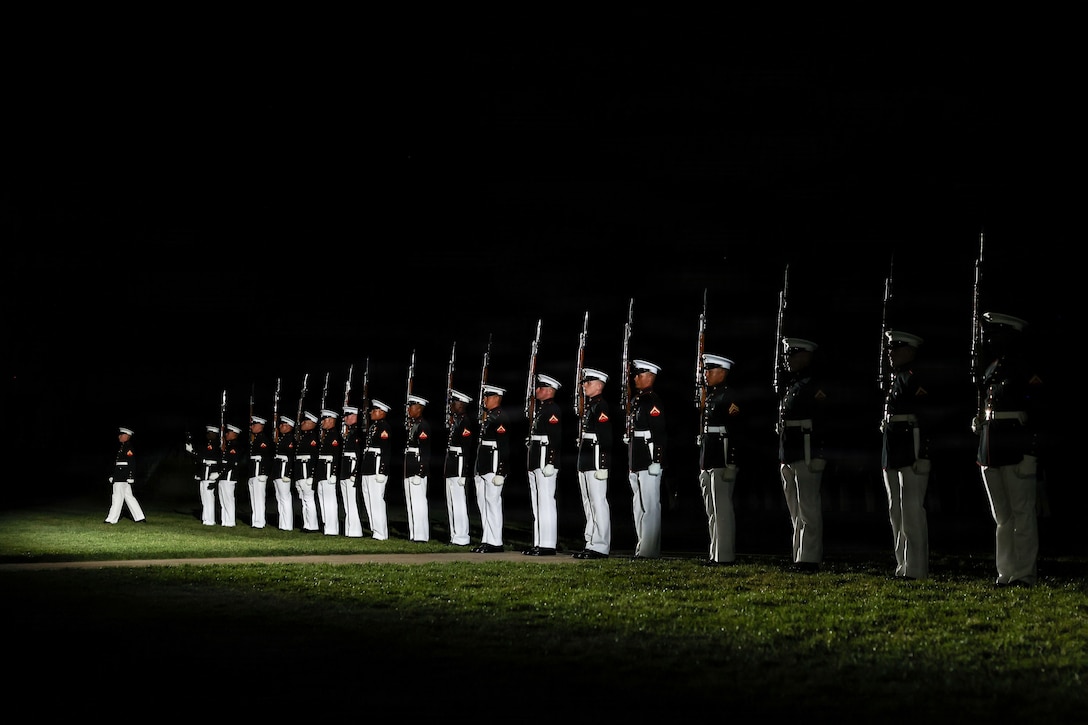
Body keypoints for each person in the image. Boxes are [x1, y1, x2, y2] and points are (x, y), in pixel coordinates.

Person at [973, 312, 1044, 588]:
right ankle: (1006, 571)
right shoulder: (992, 368)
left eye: (997, 333)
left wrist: (1031, 452)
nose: (991, 339)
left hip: (1015, 446)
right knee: (1002, 516)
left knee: (1023, 513)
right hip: (992, 446)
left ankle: (1024, 573)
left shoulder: (1024, 368)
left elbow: (1036, 412)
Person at [881, 331, 932, 580]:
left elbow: (926, 419)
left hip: (910, 449)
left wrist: (922, 454)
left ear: (910, 351)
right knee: (896, 512)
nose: (890, 352)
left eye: (896, 348)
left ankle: (916, 568)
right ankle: (903, 565)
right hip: (895, 449)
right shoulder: (897, 378)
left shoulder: (914, 378)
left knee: (911, 511)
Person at [777, 337, 828, 573]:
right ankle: (799, 555)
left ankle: (809, 558)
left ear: (806, 357)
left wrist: (819, 453)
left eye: (793, 355)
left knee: (807, 507)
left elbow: (823, 422)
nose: (788, 360)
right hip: (791, 451)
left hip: (807, 451)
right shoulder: (794, 386)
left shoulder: (813, 386)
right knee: (796, 510)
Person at [698, 354, 741, 566]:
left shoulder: (729, 397)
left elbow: (734, 432)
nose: (706, 374)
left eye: (710, 370)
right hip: (709, 456)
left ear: (722, 372)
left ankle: (724, 556)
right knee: (712, 511)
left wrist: (731, 462)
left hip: (721, 457)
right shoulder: (713, 396)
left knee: (722, 509)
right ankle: (715, 553)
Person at [628, 359, 667, 559]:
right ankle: (642, 546)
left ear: (650, 376)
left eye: (640, 374)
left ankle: (650, 550)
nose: (635, 378)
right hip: (637, 460)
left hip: (648, 459)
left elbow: (658, 434)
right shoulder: (637, 401)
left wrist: (656, 461)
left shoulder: (652, 401)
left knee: (650, 505)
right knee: (639, 506)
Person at [574, 367, 612, 559]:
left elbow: (605, 438)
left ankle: (601, 545)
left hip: (596, 458)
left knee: (598, 503)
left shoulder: (601, 406)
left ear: (599, 385)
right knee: (589, 503)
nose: (584, 386)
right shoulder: (591, 406)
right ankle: (591, 542)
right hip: (587, 459)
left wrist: (603, 465)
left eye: (588, 383)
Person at [525, 373, 563, 556]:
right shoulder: (542, 409)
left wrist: (550, 461)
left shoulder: (552, 409)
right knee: (537, 502)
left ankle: (548, 544)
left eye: (540, 388)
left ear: (549, 390)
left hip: (545, 459)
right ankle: (539, 542)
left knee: (546, 501)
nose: (536, 390)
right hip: (536, 459)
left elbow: (555, 439)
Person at [473, 384, 511, 553]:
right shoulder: (490, 417)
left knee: (493, 503)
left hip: (493, 465)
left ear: (496, 398)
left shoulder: (500, 417)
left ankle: (495, 541)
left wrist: (501, 471)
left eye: (487, 397)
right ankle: (487, 539)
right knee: (483, 503)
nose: (484, 400)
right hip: (484, 465)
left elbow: (504, 447)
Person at [443, 389, 475, 546]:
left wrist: (463, 473)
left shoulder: (465, 423)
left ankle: (462, 536)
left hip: (458, 465)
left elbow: (465, 450)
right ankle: (455, 535)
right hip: (452, 465)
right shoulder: (457, 421)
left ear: (461, 405)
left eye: (453, 402)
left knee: (459, 502)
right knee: (452, 503)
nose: (451, 405)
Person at [360, 399, 393, 540]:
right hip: (368, 467)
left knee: (376, 501)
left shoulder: (384, 427)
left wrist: (382, 470)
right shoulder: (374, 427)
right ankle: (375, 530)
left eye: (374, 410)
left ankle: (381, 532)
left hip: (376, 467)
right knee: (368, 499)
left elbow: (386, 451)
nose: (371, 412)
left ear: (382, 412)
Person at [404, 394, 432, 542]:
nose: (409, 409)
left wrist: (420, 471)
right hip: (410, 467)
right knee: (411, 502)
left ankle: (421, 535)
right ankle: (414, 533)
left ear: (419, 408)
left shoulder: (423, 425)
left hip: (417, 468)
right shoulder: (414, 424)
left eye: (412, 406)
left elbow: (425, 451)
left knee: (419, 502)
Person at [104, 426, 147, 524]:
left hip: (122, 477)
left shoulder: (128, 448)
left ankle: (111, 519)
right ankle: (139, 517)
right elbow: (118, 464)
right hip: (121, 476)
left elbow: (131, 463)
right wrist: (113, 475)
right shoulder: (123, 447)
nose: (119, 436)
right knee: (129, 497)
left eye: (121, 435)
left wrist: (130, 476)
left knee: (117, 497)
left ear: (127, 436)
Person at [294, 410, 321, 533]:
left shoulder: (313, 438)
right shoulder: (304, 437)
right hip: (301, 471)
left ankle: (313, 525)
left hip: (307, 472)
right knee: (304, 499)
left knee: (308, 499)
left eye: (306, 421)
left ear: (312, 423)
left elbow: (314, 457)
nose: (302, 423)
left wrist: (311, 475)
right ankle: (307, 524)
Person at [339, 405, 364, 538]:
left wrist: (355, 472)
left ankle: (355, 530)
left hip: (351, 470)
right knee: (347, 502)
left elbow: (359, 454)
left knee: (353, 501)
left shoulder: (358, 433)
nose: (345, 418)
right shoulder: (350, 433)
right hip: (345, 470)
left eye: (348, 415)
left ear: (355, 417)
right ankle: (350, 530)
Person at [189, 425, 221, 525]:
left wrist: (193, 452)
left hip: (210, 472)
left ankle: (210, 519)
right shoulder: (208, 444)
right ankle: (206, 518)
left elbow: (203, 457)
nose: (208, 435)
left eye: (210, 433)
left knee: (209, 498)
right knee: (204, 498)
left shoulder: (214, 445)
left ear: (214, 434)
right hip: (204, 472)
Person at [317, 409, 341, 536]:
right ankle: (327, 525)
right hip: (323, 471)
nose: (322, 422)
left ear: (331, 420)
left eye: (324, 420)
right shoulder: (326, 435)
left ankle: (332, 528)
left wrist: (333, 473)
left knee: (329, 500)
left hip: (328, 470)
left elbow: (336, 456)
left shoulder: (334, 435)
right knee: (323, 499)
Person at [247, 415, 273, 529]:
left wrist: (263, 472)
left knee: (259, 498)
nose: (251, 427)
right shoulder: (256, 439)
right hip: (253, 472)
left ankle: (260, 521)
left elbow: (266, 458)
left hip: (259, 472)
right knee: (254, 498)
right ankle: (255, 520)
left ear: (260, 426)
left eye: (254, 424)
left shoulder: (263, 440)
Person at [272, 415, 296, 531]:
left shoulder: (290, 439)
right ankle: (283, 523)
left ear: (289, 427)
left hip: (283, 470)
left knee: (285, 498)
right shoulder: (282, 439)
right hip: (278, 470)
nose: (280, 427)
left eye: (283, 425)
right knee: (280, 497)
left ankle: (287, 524)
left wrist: (288, 473)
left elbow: (290, 457)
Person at [218, 423, 244, 527]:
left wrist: (221, 473)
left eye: (228, 432)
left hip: (229, 476)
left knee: (228, 499)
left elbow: (231, 463)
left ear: (234, 434)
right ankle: (225, 521)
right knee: (223, 500)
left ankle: (230, 521)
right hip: (224, 476)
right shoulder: (228, 445)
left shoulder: (234, 446)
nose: (226, 434)